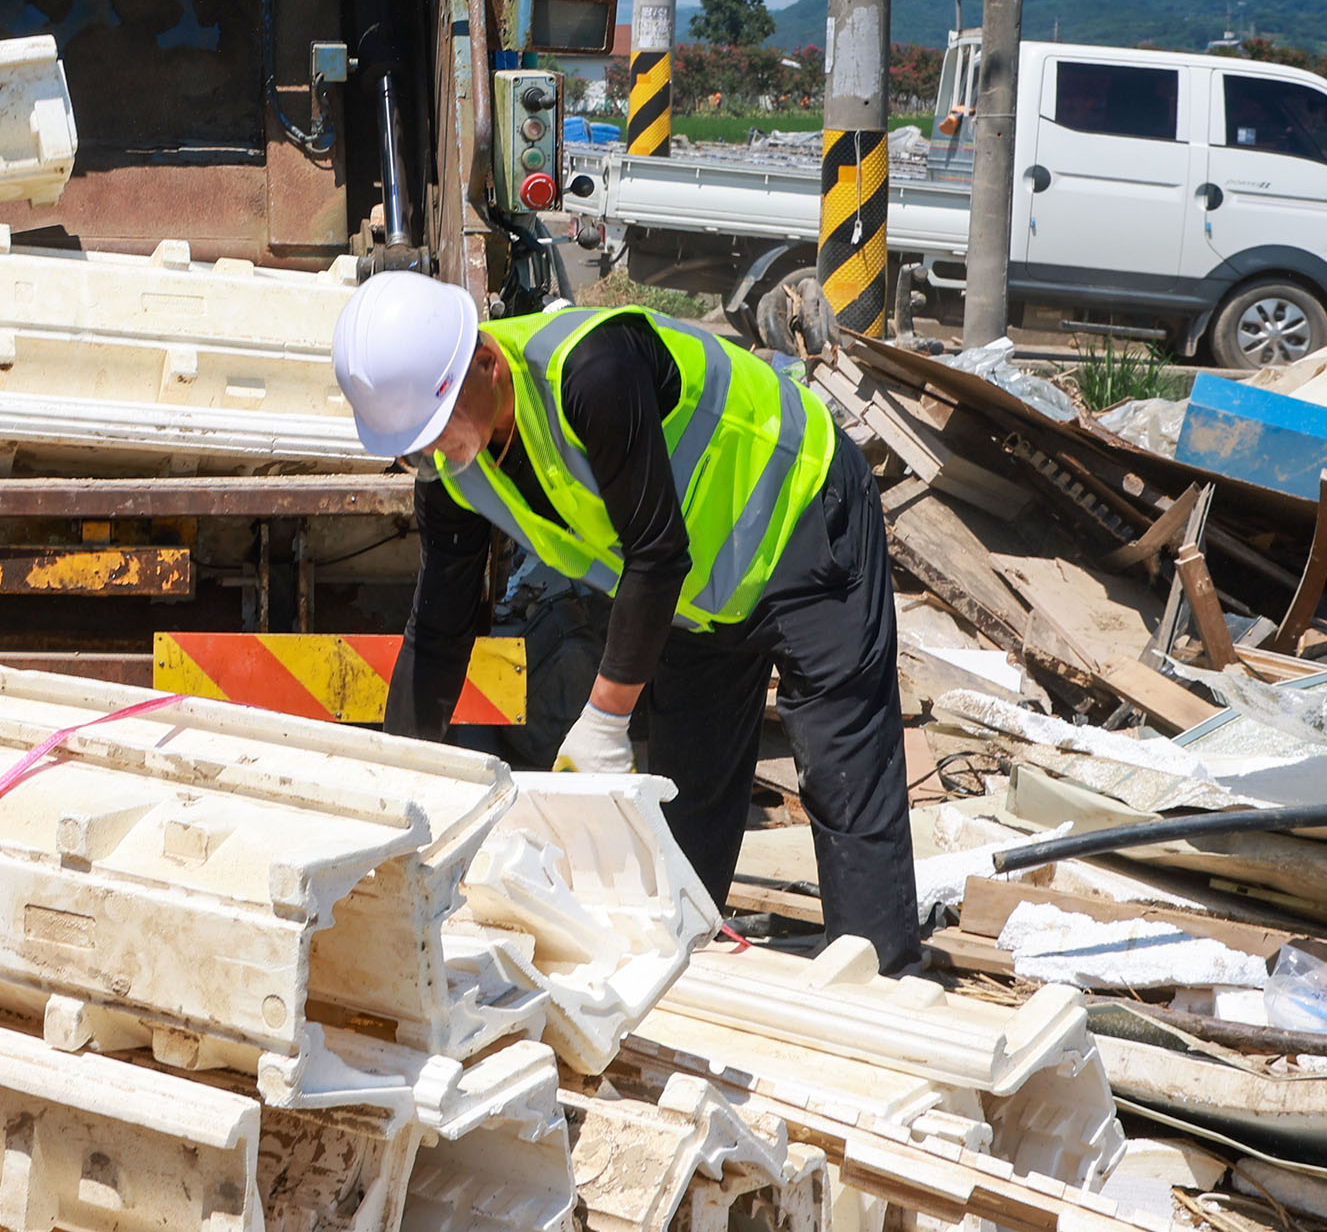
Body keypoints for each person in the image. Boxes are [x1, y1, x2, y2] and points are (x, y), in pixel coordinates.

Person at [332, 272, 918, 971]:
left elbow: (656, 551)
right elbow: (439, 630)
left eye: (432, 431)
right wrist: (404, 787)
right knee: (684, 800)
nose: (427, 455)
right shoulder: (453, 467)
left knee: (842, 769)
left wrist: (606, 718)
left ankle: (884, 985)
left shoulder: (592, 372)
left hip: (803, 513)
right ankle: (680, 983)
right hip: (700, 591)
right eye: (410, 444)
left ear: (486, 364)